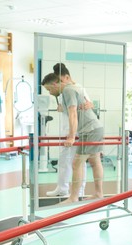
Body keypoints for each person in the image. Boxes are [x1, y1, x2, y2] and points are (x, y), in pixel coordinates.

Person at [42, 72, 104, 203]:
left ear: (55, 84)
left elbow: (73, 114)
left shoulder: (68, 91)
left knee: (77, 164)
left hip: (89, 130)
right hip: (96, 128)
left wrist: (71, 137)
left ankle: (74, 197)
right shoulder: (73, 89)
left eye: (49, 89)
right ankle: (99, 194)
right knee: (95, 162)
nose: (49, 92)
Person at [46, 63, 93, 197]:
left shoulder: (78, 88)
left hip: (77, 132)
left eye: (61, 80)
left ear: (67, 77)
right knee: (63, 161)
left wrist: (88, 105)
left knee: (79, 163)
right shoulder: (64, 90)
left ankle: (80, 190)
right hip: (66, 130)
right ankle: (62, 188)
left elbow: (89, 104)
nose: (59, 83)